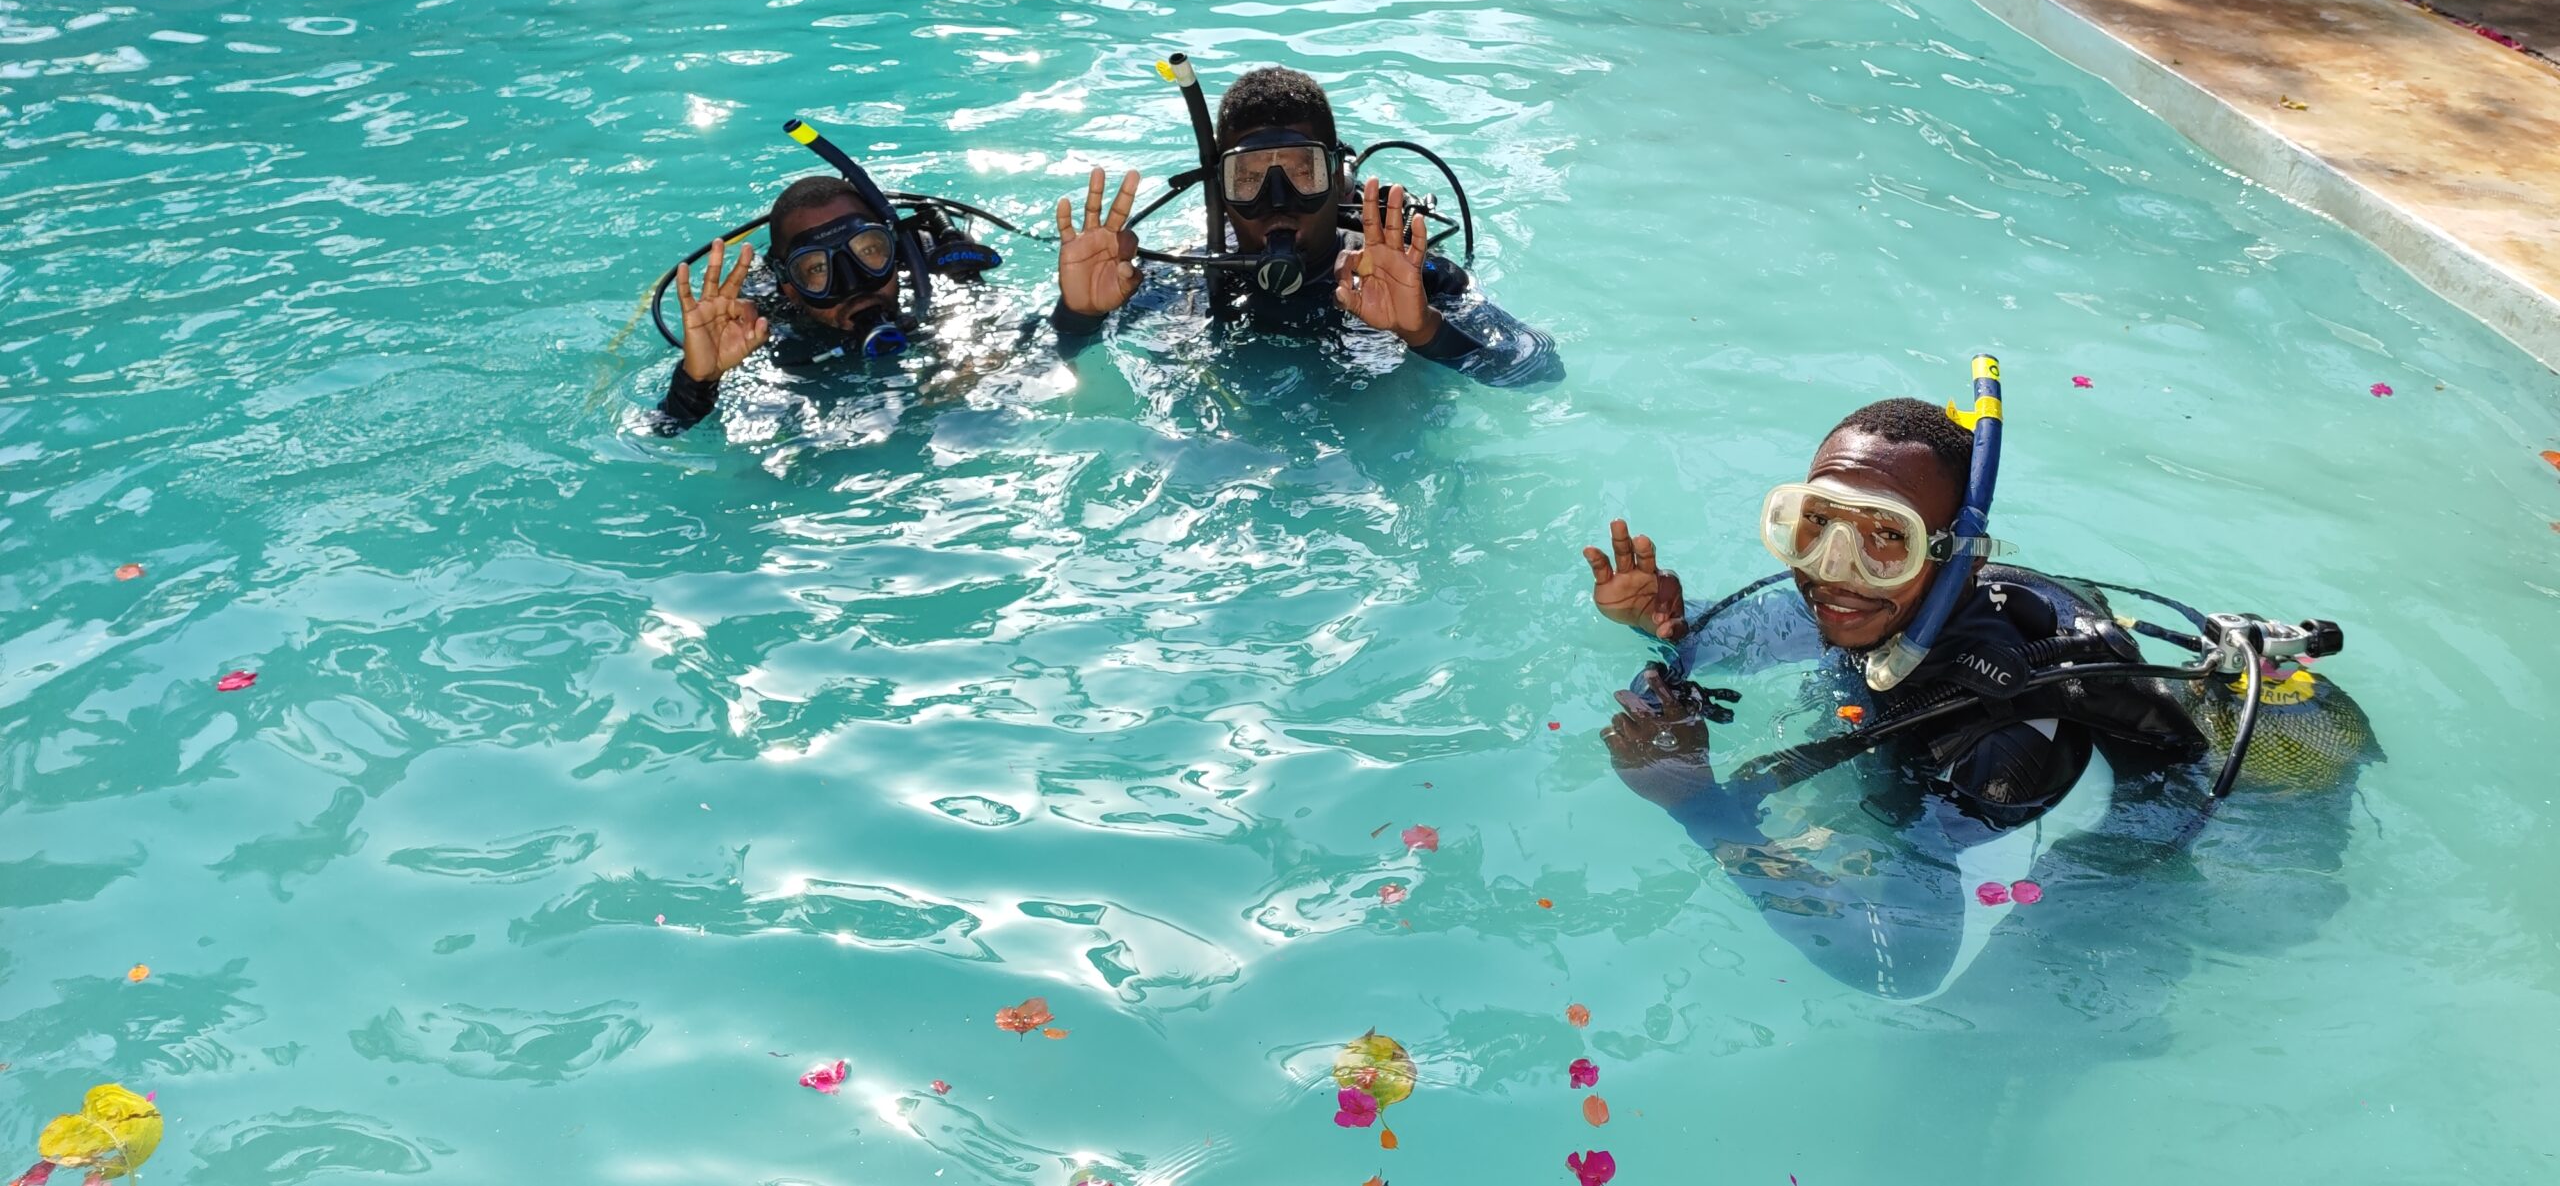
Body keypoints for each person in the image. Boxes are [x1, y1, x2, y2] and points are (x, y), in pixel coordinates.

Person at [1581, 395, 2376, 1000]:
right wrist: (1662, 630)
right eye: (1814, 523)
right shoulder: (1858, 604)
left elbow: (1899, 965)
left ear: (1952, 551)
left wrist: (1696, 807)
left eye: (1883, 535)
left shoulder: (2004, 750)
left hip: (2103, 876)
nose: (1835, 567)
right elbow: (1705, 657)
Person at [1049, 65, 1560, 388]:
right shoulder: (1186, 278)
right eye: (1247, 179)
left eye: (1302, 173)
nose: (1278, 202)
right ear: (1219, 196)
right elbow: (1027, 373)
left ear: (1339, 181)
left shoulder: (1414, 277)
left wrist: (1423, 330)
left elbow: (1536, 368)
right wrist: (1077, 315)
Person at [652, 173, 1004, 435]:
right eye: (818, 268)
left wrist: (1062, 312)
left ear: (894, 250)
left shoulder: (937, 277)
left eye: (868, 250)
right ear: (789, 286)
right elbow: (665, 434)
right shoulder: (757, 324)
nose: (854, 283)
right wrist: (698, 380)